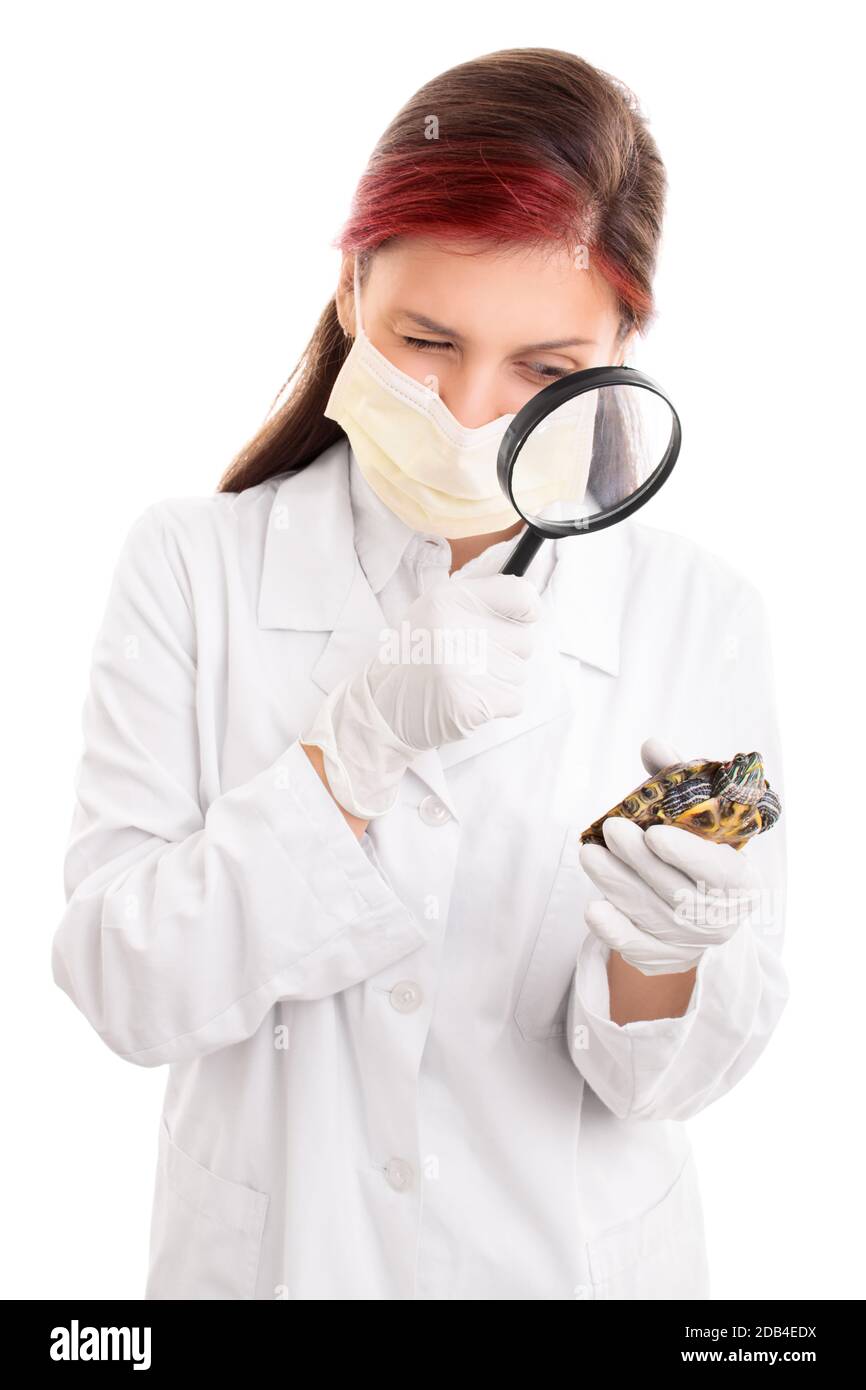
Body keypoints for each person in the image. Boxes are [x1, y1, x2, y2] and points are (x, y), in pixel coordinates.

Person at [51, 47, 788, 1300]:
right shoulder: (190, 565)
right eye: (424, 340)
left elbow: (664, 1086)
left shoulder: (694, 613)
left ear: (620, 344)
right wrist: (349, 758)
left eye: (542, 370)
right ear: (349, 288)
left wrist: (660, 956)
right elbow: (125, 987)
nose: (462, 412)